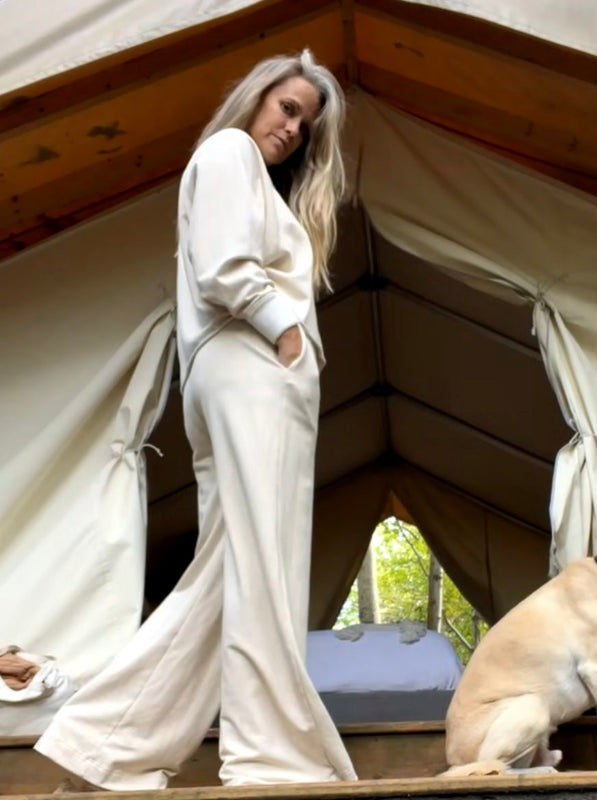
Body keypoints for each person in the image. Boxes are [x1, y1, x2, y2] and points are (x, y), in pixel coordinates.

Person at [34, 49, 357, 790]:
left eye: (305, 124)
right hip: (248, 368)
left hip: (244, 374)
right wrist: (286, 328)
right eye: (288, 107)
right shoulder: (228, 151)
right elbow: (223, 266)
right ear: (256, 95)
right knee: (266, 567)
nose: (293, 130)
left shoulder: (246, 170)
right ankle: (267, 754)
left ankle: (105, 745)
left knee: (232, 566)